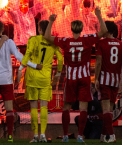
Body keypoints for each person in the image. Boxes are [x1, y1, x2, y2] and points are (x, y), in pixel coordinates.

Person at [44, 9, 107, 142]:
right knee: (83, 107)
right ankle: (79, 136)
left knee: (66, 107)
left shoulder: (66, 41)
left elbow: (47, 37)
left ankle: (65, 136)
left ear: (72, 29)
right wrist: (99, 16)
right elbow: (104, 32)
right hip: (84, 78)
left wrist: (50, 22)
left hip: (71, 78)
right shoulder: (87, 40)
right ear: (82, 28)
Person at [92, 22, 122, 144]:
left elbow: (98, 61)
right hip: (116, 80)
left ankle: (112, 137)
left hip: (104, 79)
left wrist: (96, 78)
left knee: (106, 111)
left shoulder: (100, 43)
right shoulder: (121, 44)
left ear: (106, 30)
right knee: (109, 111)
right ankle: (103, 136)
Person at [22, 20, 61, 143]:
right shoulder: (53, 42)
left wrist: (21, 68)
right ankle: (43, 135)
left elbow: (27, 55)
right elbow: (60, 58)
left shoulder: (33, 39)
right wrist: (58, 73)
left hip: (32, 76)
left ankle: (35, 136)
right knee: (44, 106)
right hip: (45, 78)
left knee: (33, 107)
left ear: (39, 29)